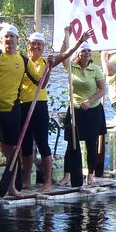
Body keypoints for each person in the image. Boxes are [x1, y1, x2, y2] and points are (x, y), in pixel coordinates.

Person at [0, 5, 48, 198]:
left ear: (17, 40)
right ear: (1, 39)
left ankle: (12, 187)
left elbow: (41, 84)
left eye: (12, 36)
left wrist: (50, 66)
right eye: (6, 36)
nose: (9, 39)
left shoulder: (24, 61)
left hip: (12, 110)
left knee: (13, 150)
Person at [20, 29, 85, 191]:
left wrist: (78, 41)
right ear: (28, 45)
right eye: (33, 44)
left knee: (43, 144)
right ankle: (27, 180)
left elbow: (66, 54)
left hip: (39, 105)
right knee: (26, 146)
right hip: (23, 105)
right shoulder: (21, 61)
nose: (35, 47)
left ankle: (47, 181)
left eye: (39, 44)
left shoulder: (47, 61)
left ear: (43, 47)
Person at [58, 29, 107, 186]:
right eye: (83, 51)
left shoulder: (96, 69)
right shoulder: (71, 67)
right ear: (78, 54)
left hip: (93, 111)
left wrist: (89, 100)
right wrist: (67, 36)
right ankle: (67, 176)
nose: (86, 53)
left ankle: (90, 175)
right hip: (75, 110)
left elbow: (103, 90)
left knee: (91, 143)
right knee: (71, 142)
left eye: (88, 50)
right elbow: (62, 55)